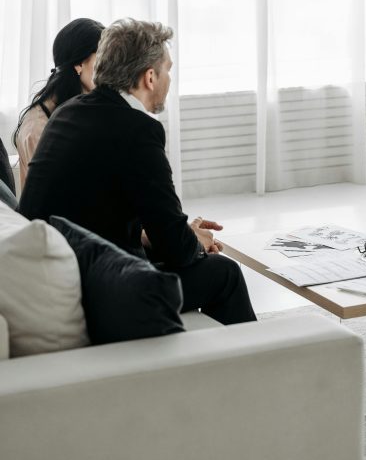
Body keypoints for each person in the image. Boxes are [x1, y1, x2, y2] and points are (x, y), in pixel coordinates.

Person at [19, 18, 255, 326]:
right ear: (150, 77)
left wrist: (185, 233)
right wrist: (192, 241)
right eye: (168, 69)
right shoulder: (139, 129)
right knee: (224, 273)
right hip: (100, 290)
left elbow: (107, 215)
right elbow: (177, 250)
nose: (170, 78)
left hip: (59, 275)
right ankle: (260, 368)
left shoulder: (68, 111)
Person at [13, 17, 105, 187]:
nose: (108, 67)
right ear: (79, 64)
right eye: (102, 58)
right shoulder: (37, 127)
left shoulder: (84, 107)